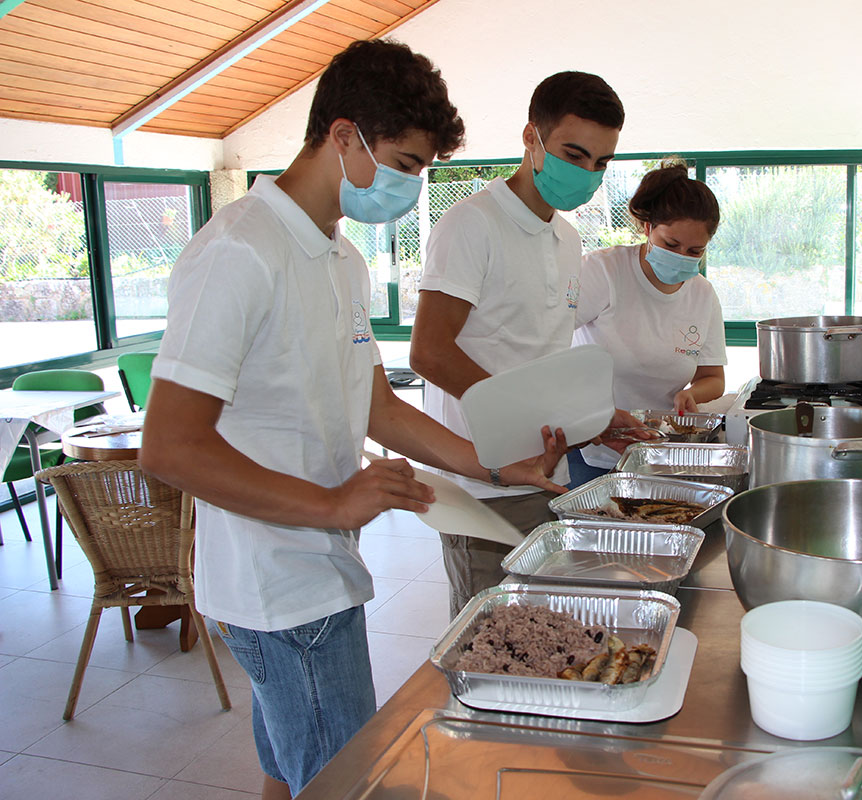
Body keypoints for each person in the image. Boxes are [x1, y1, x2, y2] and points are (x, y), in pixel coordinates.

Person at [139, 40, 566, 800]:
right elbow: (170, 447)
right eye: (402, 163)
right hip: (279, 586)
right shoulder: (240, 250)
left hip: (323, 568)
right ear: (343, 136)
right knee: (348, 783)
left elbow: (376, 405)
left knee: (295, 772)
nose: (409, 184)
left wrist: (491, 464)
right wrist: (334, 504)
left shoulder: (340, 258)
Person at [410, 71, 636, 617]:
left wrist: (593, 417)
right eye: (574, 153)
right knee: (489, 642)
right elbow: (430, 352)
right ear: (531, 138)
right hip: (480, 483)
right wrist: (525, 412)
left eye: (601, 163)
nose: (586, 173)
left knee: (540, 633)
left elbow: (544, 356)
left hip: (544, 475)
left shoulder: (567, 238)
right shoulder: (471, 226)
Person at [567, 161, 727, 487]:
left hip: (660, 451)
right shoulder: (604, 272)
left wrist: (692, 393)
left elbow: (713, 377)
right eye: (671, 245)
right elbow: (545, 340)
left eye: (695, 250)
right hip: (592, 447)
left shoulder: (702, 294)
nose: (682, 256)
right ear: (647, 227)